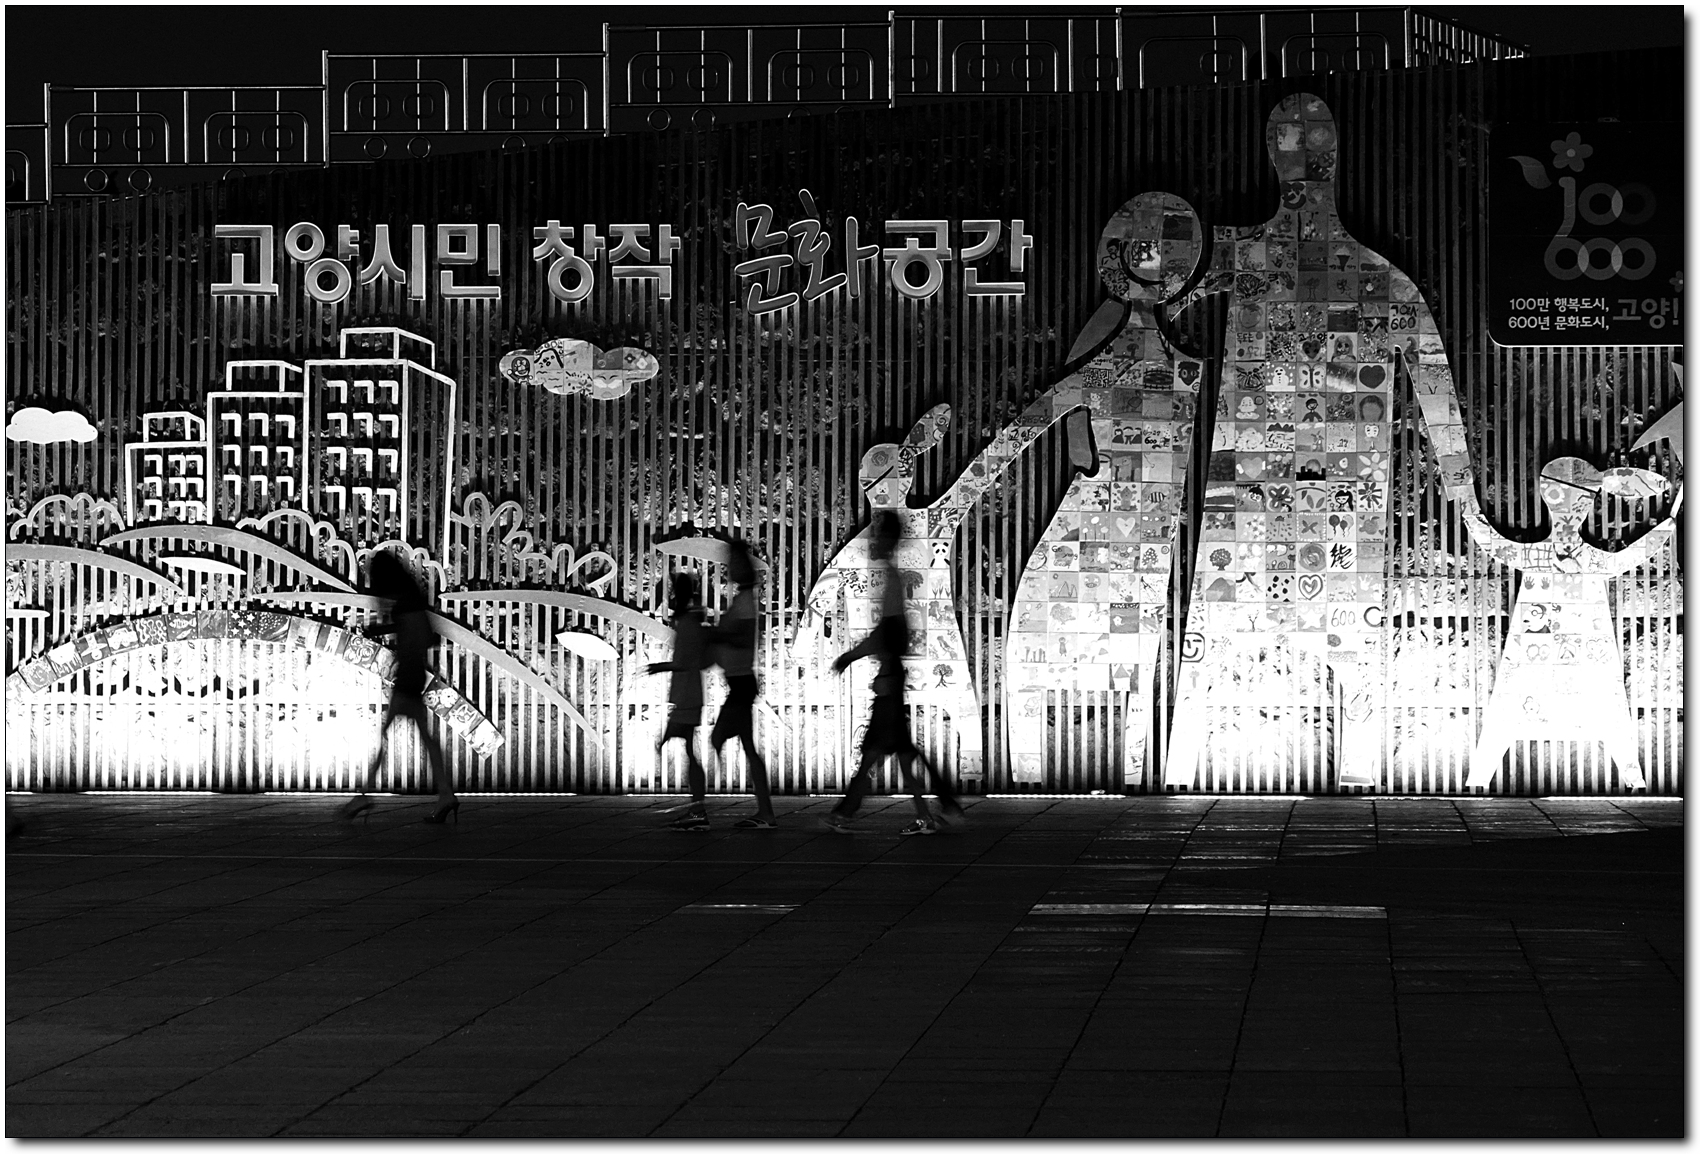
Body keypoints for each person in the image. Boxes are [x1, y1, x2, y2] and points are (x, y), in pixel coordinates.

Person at [825, 510, 962, 836]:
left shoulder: (891, 578)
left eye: (879, 535)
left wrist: (850, 656)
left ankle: (848, 812)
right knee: (898, 753)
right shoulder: (893, 577)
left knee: (879, 752)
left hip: (888, 678)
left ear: (889, 539)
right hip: (890, 678)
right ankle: (934, 809)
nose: (874, 541)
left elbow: (886, 635)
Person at [339, 551, 457, 824]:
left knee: (388, 736)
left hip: (408, 676)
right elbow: (425, 637)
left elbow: (414, 637)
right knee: (423, 738)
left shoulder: (405, 605)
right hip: (412, 674)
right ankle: (445, 794)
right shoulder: (410, 600)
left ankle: (364, 796)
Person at [709, 538, 776, 828]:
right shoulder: (743, 599)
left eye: (734, 562)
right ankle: (765, 812)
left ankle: (702, 802)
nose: (730, 568)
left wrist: (715, 635)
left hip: (741, 684)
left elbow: (745, 639)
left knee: (720, 738)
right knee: (745, 746)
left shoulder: (746, 600)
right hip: (740, 684)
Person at [647, 572, 711, 830]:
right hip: (690, 693)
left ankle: (698, 811)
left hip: (687, 694)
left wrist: (659, 667)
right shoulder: (692, 619)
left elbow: (685, 661)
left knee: (687, 750)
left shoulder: (687, 622)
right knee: (687, 749)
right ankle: (697, 809)